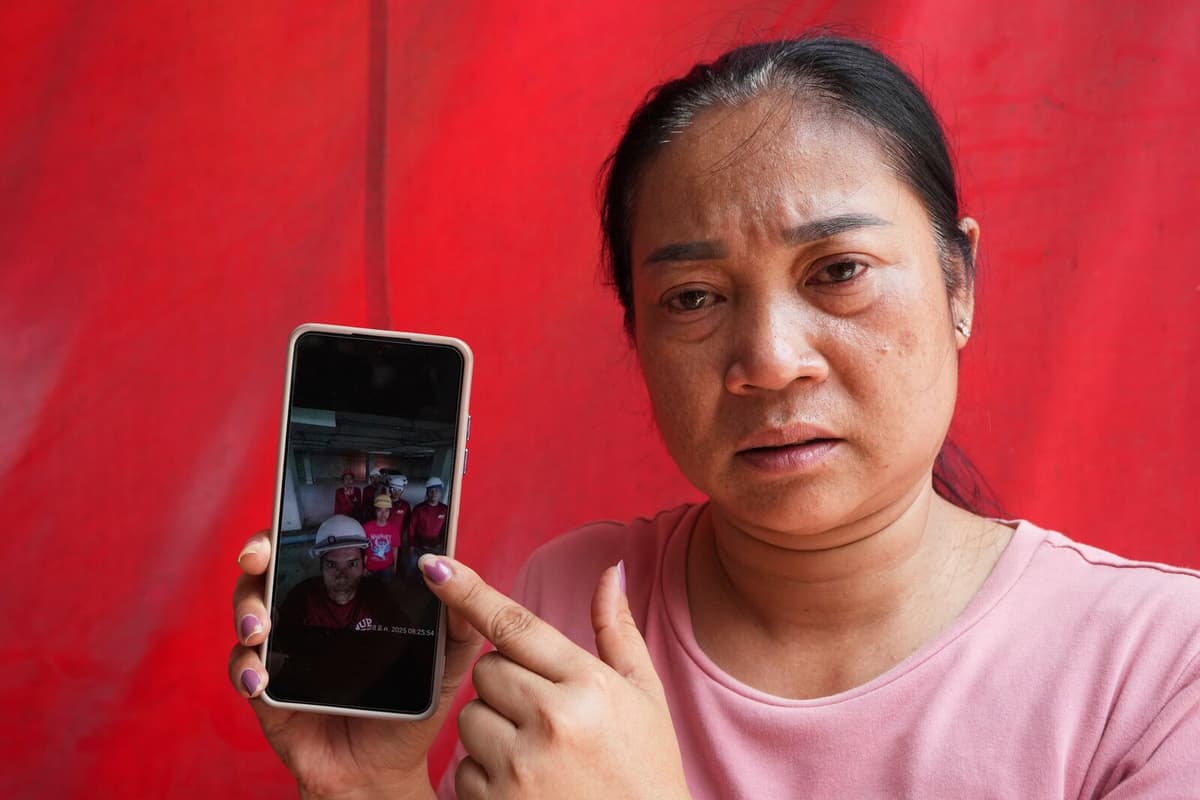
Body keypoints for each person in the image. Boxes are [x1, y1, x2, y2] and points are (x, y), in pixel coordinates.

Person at [229, 35, 1200, 799]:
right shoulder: (576, 605)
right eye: (693, 297)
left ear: (960, 283)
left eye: (839, 271)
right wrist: (372, 787)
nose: (768, 361)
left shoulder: (1160, 669)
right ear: (638, 337)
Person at [274, 514, 394, 631]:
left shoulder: (378, 595)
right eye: (332, 565)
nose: (342, 577)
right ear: (320, 566)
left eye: (352, 564)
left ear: (364, 563)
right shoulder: (302, 596)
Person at [361, 493, 402, 581]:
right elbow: (362, 550)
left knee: (385, 588)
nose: (383, 514)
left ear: (390, 512)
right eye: (380, 510)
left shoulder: (394, 528)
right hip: (370, 567)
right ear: (375, 511)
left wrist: (395, 566)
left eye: (386, 510)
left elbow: (395, 549)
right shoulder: (366, 527)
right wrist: (363, 566)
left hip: (387, 568)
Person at [409, 476, 448, 553]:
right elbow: (411, 528)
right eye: (431, 491)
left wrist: (442, 545)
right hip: (418, 548)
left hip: (437, 549)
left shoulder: (445, 509)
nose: (434, 493)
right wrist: (411, 544)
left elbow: (447, 529)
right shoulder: (418, 509)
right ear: (427, 492)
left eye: (437, 490)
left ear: (441, 493)